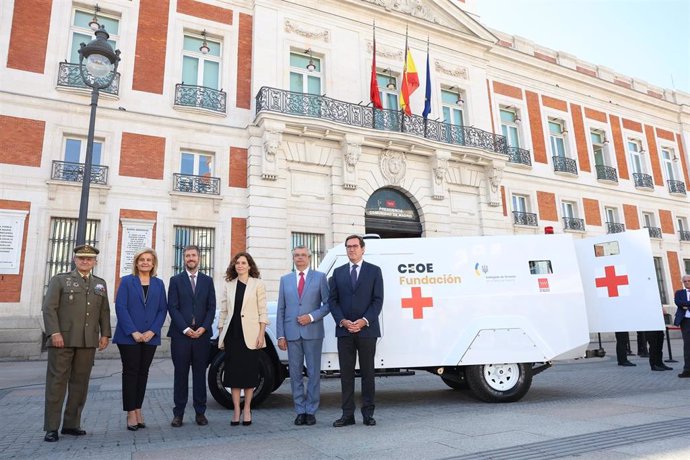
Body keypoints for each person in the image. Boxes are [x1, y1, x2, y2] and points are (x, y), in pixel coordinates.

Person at [42, 244, 111, 442]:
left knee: (80, 384)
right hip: (62, 341)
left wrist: (105, 334)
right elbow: (49, 308)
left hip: (87, 341)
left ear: (95, 262)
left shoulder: (99, 284)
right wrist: (53, 332)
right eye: (81, 258)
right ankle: (51, 427)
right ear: (75, 260)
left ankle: (71, 424)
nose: (85, 261)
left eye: (89, 259)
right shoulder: (60, 280)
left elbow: (104, 311)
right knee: (57, 383)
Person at [328, 235, 384, 427]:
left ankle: (368, 414)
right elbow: (332, 301)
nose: (351, 249)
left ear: (363, 248)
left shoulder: (374, 271)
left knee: (368, 373)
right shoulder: (338, 272)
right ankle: (347, 415)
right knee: (346, 374)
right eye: (348, 247)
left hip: (367, 330)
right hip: (344, 332)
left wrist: (363, 321)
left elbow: (378, 301)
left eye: (354, 246)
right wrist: (342, 321)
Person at [112, 248, 168, 430]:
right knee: (130, 372)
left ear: (153, 264)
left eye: (149, 260)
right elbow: (121, 307)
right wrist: (133, 331)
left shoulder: (159, 284)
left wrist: (153, 330)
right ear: (136, 263)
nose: (145, 262)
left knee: (143, 373)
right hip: (129, 338)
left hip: (150, 337)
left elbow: (162, 310)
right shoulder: (127, 281)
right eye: (142, 260)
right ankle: (130, 412)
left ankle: (138, 409)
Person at [277, 246, 330, 426]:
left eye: (303, 255)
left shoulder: (320, 278)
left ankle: (311, 410)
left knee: (314, 372)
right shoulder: (285, 280)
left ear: (309, 257)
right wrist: (280, 336)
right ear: (293, 258)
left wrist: (311, 317)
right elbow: (281, 310)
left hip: (313, 332)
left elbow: (328, 305)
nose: (300, 258)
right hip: (291, 334)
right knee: (295, 373)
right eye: (296, 255)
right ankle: (300, 410)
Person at [167, 245, 216, 427]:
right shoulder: (175, 280)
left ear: (199, 258)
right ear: (183, 259)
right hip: (181, 336)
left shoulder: (208, 281)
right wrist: (186, 329)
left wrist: (203, 328)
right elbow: (172, 307)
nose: (190, 258)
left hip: (202, 337)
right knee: (180, 375)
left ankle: (200, 413)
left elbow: (211, 307)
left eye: (193, 255)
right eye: (187, 256)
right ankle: (178, 414)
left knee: (199, 375)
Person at [218, 252, 268, 426]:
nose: (240, 265)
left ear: (249, 266)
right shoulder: (229, 285)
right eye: (237, 263)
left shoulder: (258, 284)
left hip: (251, 336)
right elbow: (223, 311)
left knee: (249, 375)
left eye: (243, 262)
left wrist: (261, 334)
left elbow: (263, 311)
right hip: (232, 336)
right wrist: (221, 334)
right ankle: (236, 410)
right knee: (233, 376)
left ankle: (247, 409)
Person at [674, 274, 690, 378]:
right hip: (685, 321)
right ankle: (687, 369)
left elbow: (683, 304)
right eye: (685, 281)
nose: (687, 282)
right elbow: (678, 302)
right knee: (688, 345)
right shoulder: (679, 293)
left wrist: (686, 305)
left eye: (689, 280)